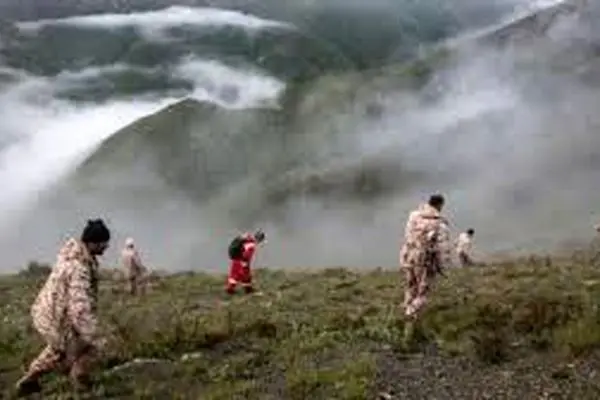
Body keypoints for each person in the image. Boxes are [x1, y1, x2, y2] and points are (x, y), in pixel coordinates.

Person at [15, 219, 111, 396]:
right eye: (104, 243)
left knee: (58, 350)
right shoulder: (79, 268)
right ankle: (80, 383)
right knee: (91, 348)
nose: (107, 246)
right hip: (56, 316)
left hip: (50, 311)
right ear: (93, 243)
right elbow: (79, 307)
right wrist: (93, 335)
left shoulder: (73, 254)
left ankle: (28, 381)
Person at [399, 194, 452, 325]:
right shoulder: (440, 224)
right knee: (423, 292)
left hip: (408, 255)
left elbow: (407, 234)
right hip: (425, 260)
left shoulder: (413, 215)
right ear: (440, 205)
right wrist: (442, 266)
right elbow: (442, 249)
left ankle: (407, 308)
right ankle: (410, 315)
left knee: (411, 285)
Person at [226, 230, 266, 295]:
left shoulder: (247, 237)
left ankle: (231, 289)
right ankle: (242, 290)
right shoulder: (251, 245)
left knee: (234, 274)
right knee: (243, 275)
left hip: (235, 257)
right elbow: (246, 255)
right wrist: (245, 264)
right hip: (241, 260)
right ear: (259, 240)